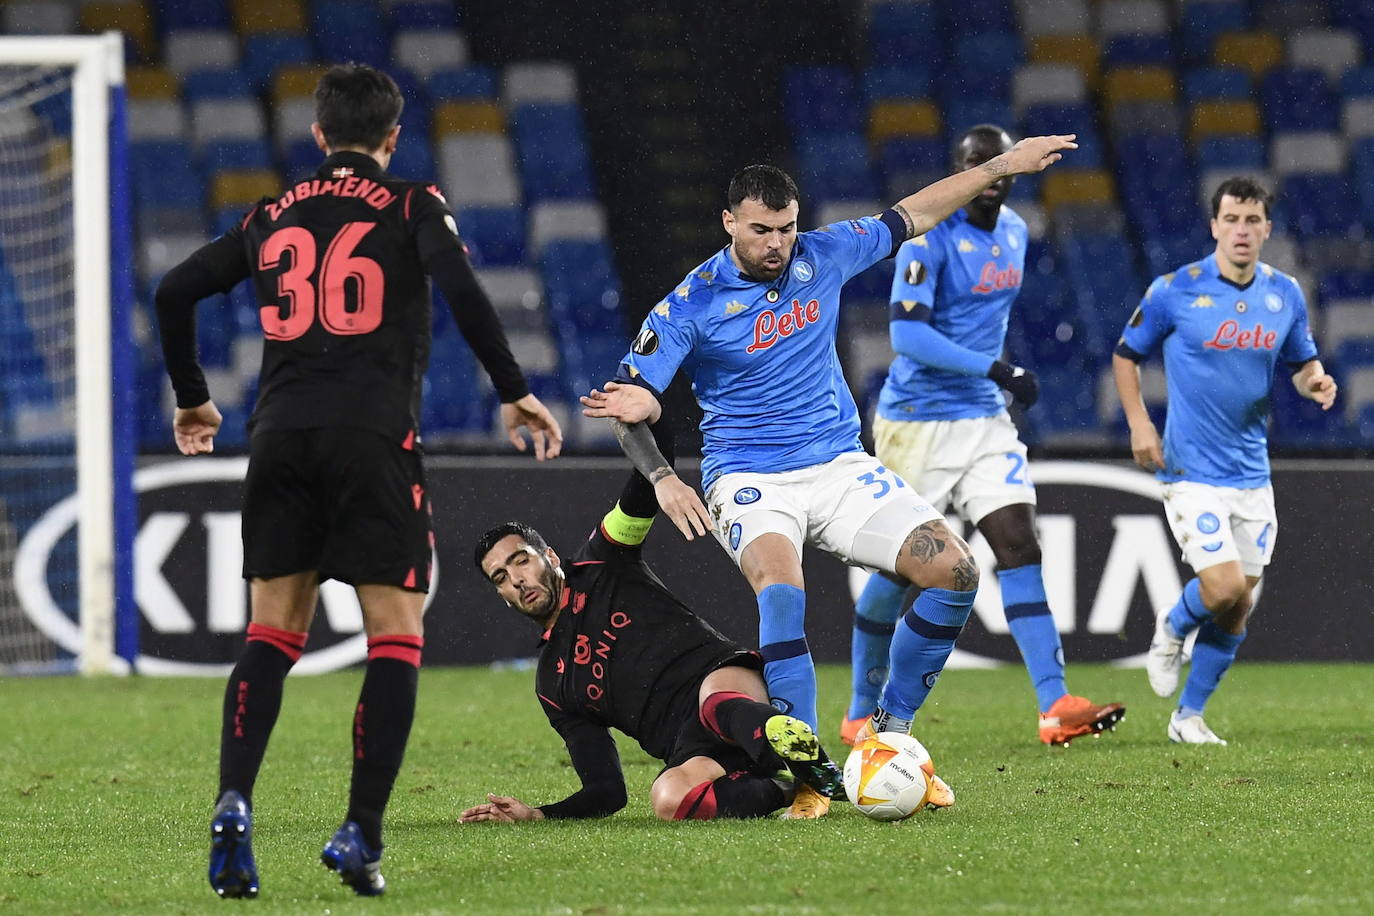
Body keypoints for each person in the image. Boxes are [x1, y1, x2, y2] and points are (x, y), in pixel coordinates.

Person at [153, 64, 563, 899]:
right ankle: (361, 833)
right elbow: (460, 288)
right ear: (392, 138)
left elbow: (173, 291)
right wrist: (514, 391)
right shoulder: (413, 204)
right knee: (394, 637)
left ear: (316, 137)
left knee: (270, 637)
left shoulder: (271, 214)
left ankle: (234, 802)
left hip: (279, 438)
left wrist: (194, 400)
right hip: (371, 438)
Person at [581, 133, 1077, 816]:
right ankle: (805, 774)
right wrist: (662, 474)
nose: (776, 243)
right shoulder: (689, 303)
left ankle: (886, 740)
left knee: (955, 572)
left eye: (785, 228)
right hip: (750, 475)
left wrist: (999, 166)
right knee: (782, 593)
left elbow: (915, 213)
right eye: (760, 230)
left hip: (839, 465)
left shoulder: (825, 253)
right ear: (730, 223)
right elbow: (630, 401)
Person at [842, 125, 1124, 748]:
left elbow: (980, 324)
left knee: (1019, 544)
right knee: (902, 572)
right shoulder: (930, 239)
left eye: (1001, 165)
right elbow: (907, 338)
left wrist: (992, 378)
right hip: (917, 422)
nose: (992, 175)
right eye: (979, 164)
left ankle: (1055, 704)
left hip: (983, 419)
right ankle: (862, 706)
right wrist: (997, 369)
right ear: (963, 169)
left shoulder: (1017, 233)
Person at [461, 405, 880, 824]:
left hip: (722, 681)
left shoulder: (603, 558)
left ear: (549, 556)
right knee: (668, 799)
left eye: (521, 561)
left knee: (719, 704)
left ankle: (818, 771)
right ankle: (787, 787)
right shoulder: (554, 685)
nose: (516, 579)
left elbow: (645, 483)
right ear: (501, 594)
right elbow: (606, 791)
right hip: (692, 746)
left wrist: (654, 413)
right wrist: (537, 814)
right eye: (500, 577)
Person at [1112, 176, 1336, 745]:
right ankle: (1172, 627)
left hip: (1251, 474)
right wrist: (1141, 424)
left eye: (1252, 220)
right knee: (1223, 588)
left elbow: (1301, 362)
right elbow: (1126, 355)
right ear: (1214, 226)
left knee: (1239, 606)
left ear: (1267, 229)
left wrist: (1316, 383)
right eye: (1231, 219)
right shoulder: (1175, 289)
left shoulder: (1283, 293)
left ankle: (1188, 718)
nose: (1241, 230)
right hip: (1190, 471)